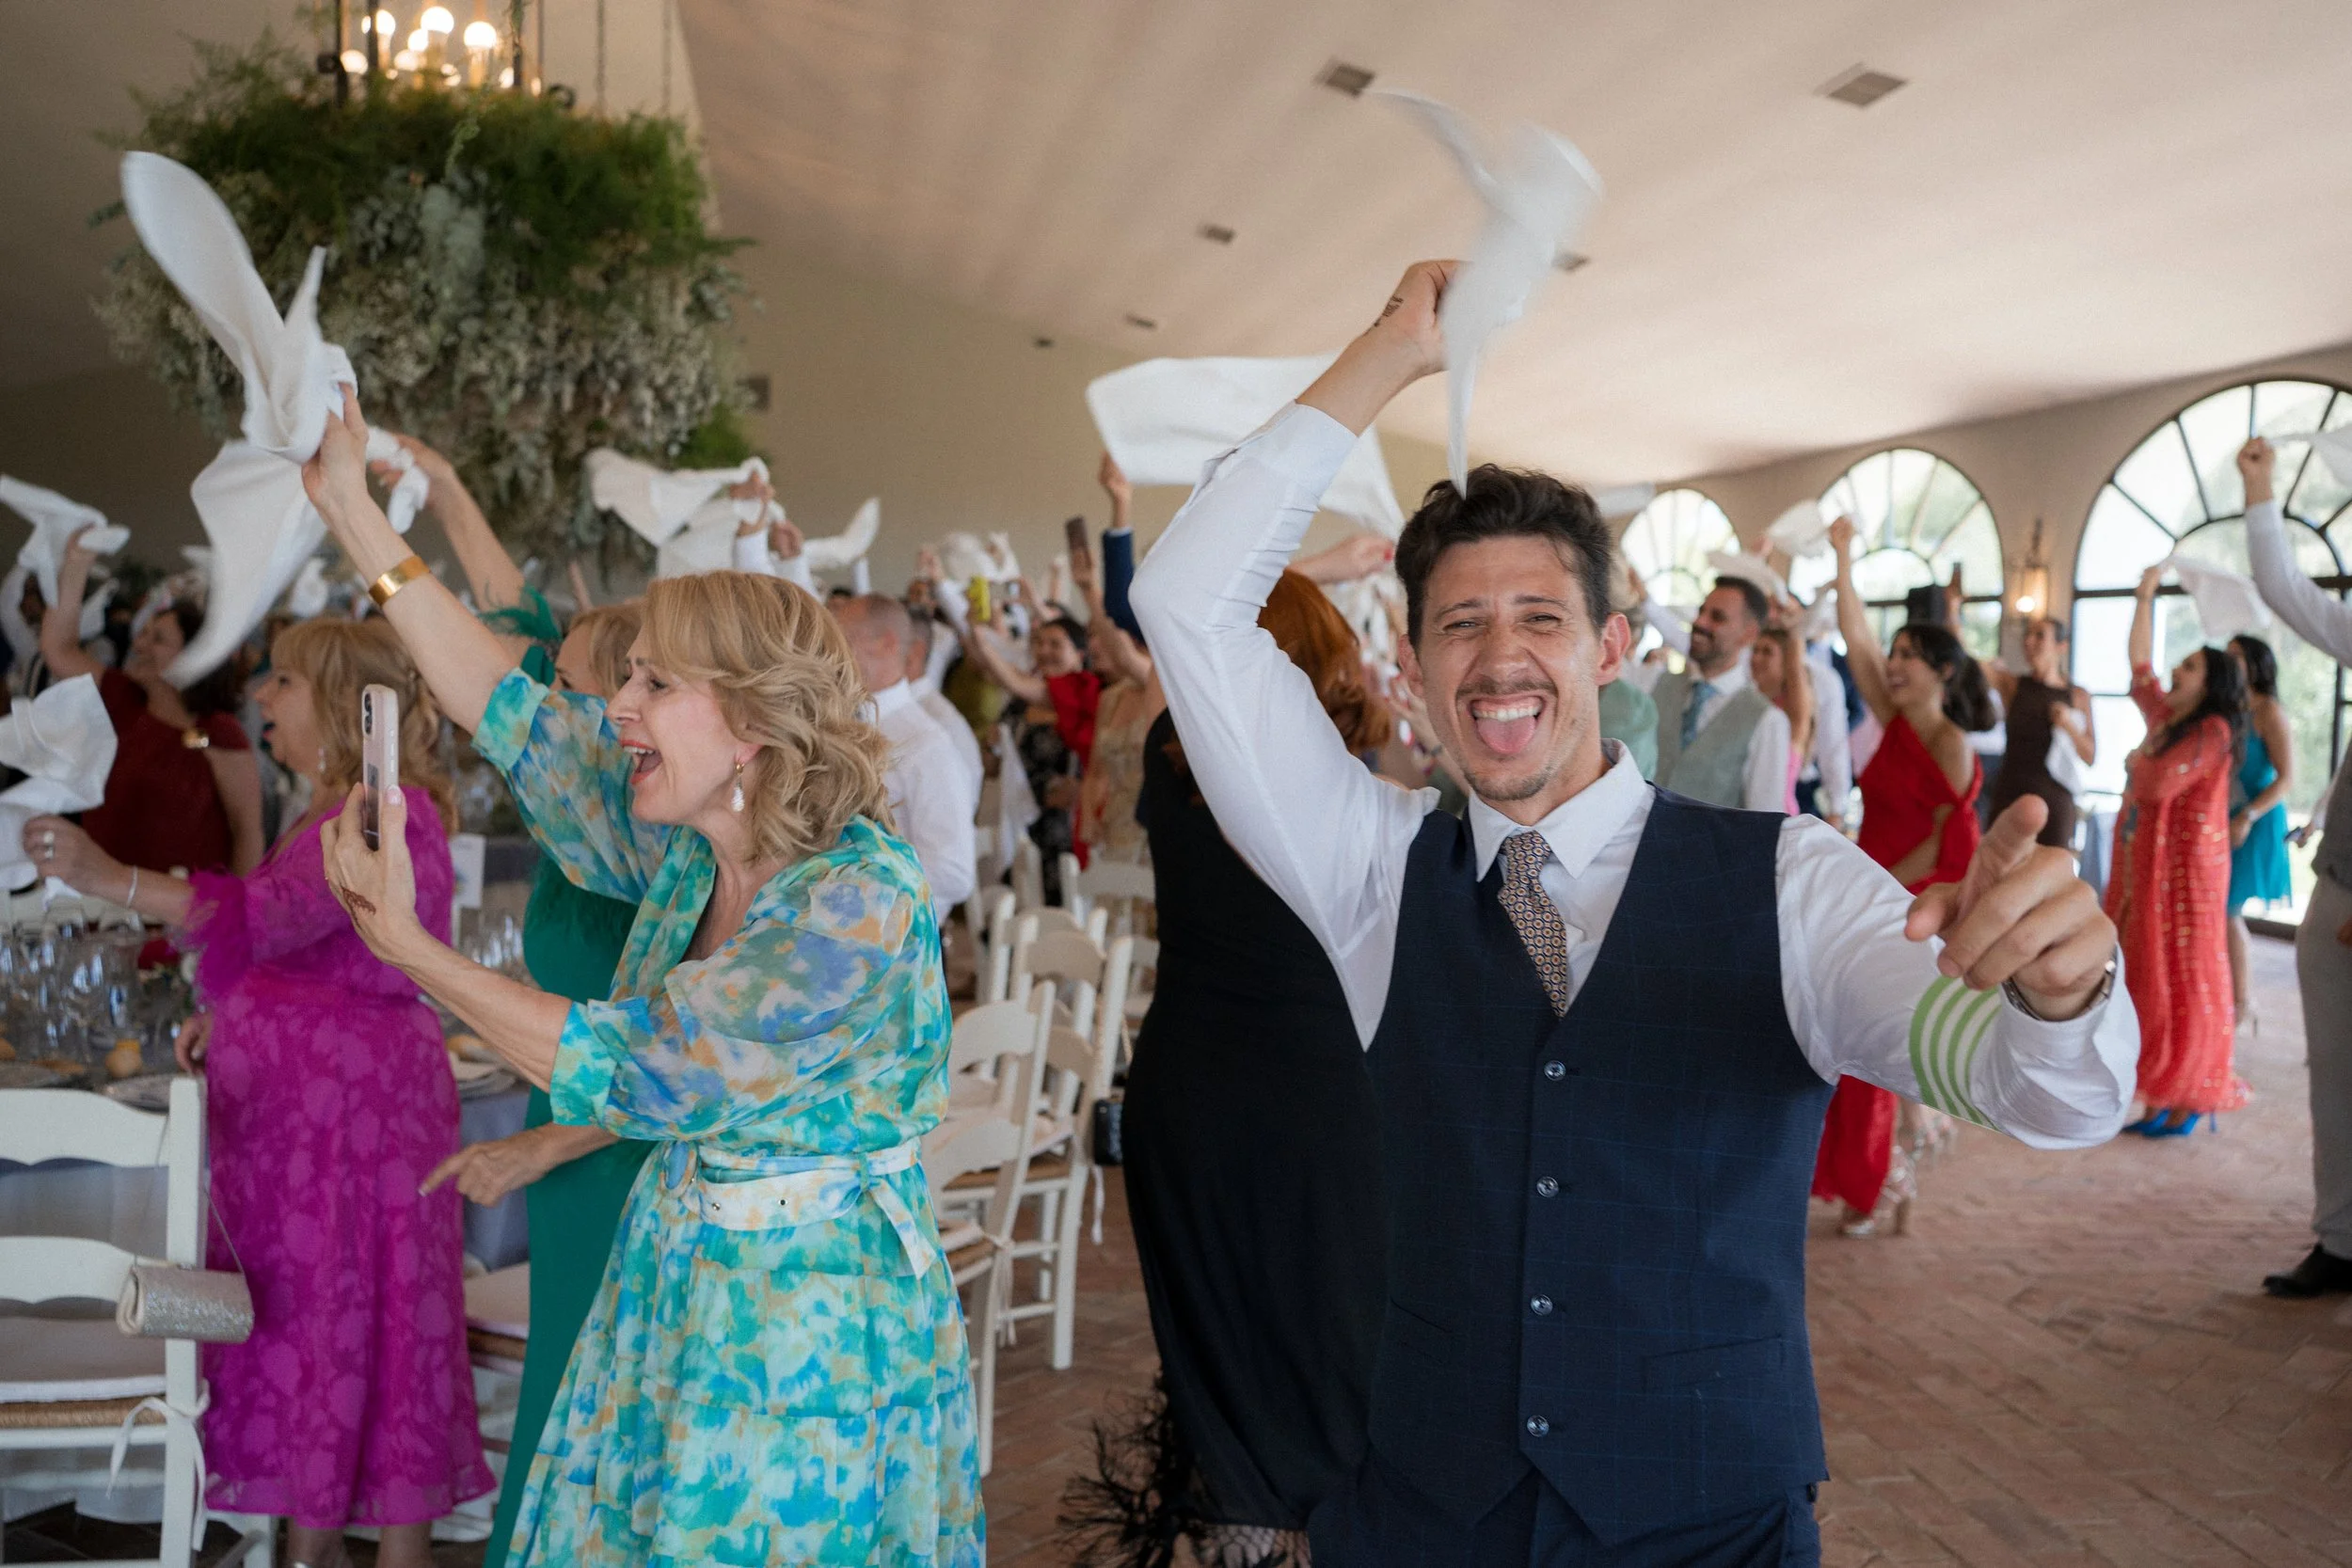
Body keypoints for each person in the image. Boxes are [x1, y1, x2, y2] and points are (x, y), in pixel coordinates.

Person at [1132, 260, 2134, 1567]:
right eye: (1459, 624)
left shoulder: (1789, 878)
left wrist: (2056, 996)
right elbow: (1186, 601)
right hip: (1426, 1514)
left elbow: (2042, 1095)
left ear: (1610, 649)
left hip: (1707, 1516)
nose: (1499, 656)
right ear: (1420, 665)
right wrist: (1385, 354)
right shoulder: (1372, 871)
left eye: (1540, 617)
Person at [301, 388, 982, 1565]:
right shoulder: (685, 843)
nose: (615, 705)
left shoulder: (855, 900)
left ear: (755, 722)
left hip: (801, 1324)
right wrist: (351, 512)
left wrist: (409, 947)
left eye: (654, 684)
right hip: (677, 1277)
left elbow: (639, 1070)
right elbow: (503, 708)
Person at [28, 618, 486, 1568]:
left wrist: (104, 875)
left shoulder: (372, 812)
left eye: (281, 680)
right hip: (325, 1122)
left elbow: (264, 911)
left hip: (354, 1123)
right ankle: (311, 1548)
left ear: (341, 703)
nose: (259, 698)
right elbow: (297, 946)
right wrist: (233, 1008)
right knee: (333, 1320)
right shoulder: (336, 805)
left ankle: (366, 1555)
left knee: (367, 1317)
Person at [1075, 570, 1389, 1567]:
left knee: (1221, 1344)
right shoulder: (1337, 780)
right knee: (1328, 1335)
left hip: (1187, 1084)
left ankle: (1246, 1540)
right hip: (1313, 1092)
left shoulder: (1176, 761)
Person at [419, 598, 656, 1568]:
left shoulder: (646, 841)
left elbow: (679, 1056)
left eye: (568, 683)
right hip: (567, 1118)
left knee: (599, 1395)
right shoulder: (588, 826)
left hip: (620, 1144)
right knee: (568, 1385)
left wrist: (548, 1138)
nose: (548, 699)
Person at [1818, 518, 1995, 1236]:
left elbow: (1943, 840)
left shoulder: (1950, 742)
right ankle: (1908, 1144)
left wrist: (1876, 886)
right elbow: (1855, 637)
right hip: (1876, 885)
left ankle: (1884, 1174)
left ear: (1944, 671)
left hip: (1915, 897)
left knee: (1876, 1037)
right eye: (1895, 653)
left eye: (1911, 656)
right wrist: (1842, 557)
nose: (1893, 663)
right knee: (1868, 1036)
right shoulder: (1891, 714)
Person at [2239, 436, 2352, 1298]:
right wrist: (2261, 490)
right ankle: (2341, 1240)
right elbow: (2288, 593)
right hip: (2342, 891)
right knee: (2334, 1073)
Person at [2110, 563, 2248, 1138]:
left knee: (2185, 973)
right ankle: (2163, 1085)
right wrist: (2143, 594)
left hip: (2189, 872)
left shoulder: (2213, 730)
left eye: (2189, 666)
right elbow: (2138, 665)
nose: (2175, 670)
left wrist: (2135, 761)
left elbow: (2160, 783)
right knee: (2148, 966)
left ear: (2211, 682)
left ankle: (2191, 1092)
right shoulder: (2170, 719)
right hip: (2149, 864)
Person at [45, 525, 263, 877]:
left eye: (157, 639)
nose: (139, 646)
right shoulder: (123, 698)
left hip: (181, 910)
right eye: (142, 633)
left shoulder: (216, 731)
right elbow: (59, 649)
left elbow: (247, 832)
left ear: (194, 655)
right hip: (103, 902)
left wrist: (238, 917)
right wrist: (76, 563)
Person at [834, 592, 981, 915]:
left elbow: (954, 872)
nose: (831, 655)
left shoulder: (926, 743)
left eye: (842, 640)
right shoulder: (844, 723)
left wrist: (851, 883)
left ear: (885, 643)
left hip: (895, 937)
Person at [1645, 572, 1792, 811]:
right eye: (1701, 611)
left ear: (1749, 634)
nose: (1700, 622)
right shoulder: (1657, 684)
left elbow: (1763, 820)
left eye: (1717, 617)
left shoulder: (1767, 721)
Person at [1979, 615, 2095, 849]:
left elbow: (2090, 756)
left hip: (2054, 803)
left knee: (2050, 876)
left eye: (2040, 635)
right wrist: (1952, 610)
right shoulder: (2012, 685)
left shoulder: (2078, 696)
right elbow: (1967, 660)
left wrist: (2068, 726)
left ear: (2061, 647)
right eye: (2028, 635)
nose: (2029, 641)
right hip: (2010, 795)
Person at [2224, 633, 2294, 1025]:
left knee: (2227, 909)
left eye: (2238, 656)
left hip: (2255, 819)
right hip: (2225, 814)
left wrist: (2247, 816)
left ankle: (2243, 1001)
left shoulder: (2269, 712)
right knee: (2222, 908)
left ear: (2256, 665)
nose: (2230, 661)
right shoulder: (2229, 707)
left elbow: (2286, 779)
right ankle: (2233, 996)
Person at [1748, 624, 1812, 816]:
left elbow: (1795, 670)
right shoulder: (1747, 706)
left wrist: (1795, 630)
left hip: (1777, 820)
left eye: (1767, 652)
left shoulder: (1793, 716)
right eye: (1755, 650)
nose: (1756, 658)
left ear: (1787, 661)